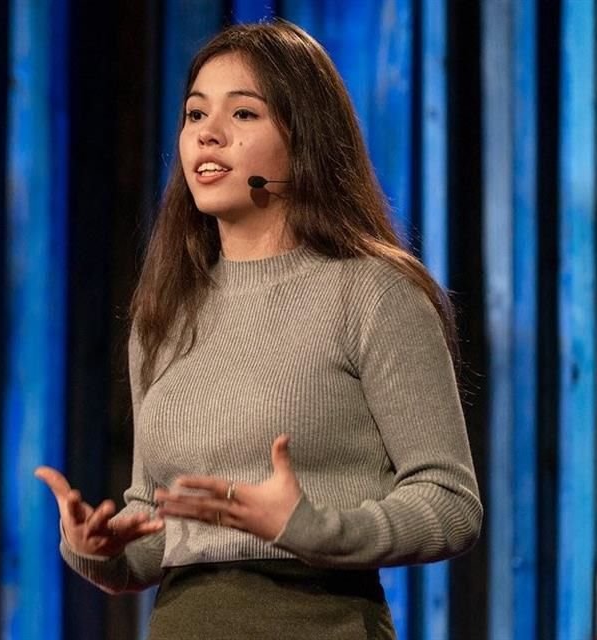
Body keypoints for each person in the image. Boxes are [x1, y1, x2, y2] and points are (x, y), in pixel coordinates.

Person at [35, 19, 482, 639]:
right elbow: (157, 521)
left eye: (243, 115)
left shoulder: (374, 293)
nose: (207, 135)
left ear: (306, 140)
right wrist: (101, 549)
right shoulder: (165, 313)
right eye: (195, 115)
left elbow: (450, 503)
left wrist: (310, 526)